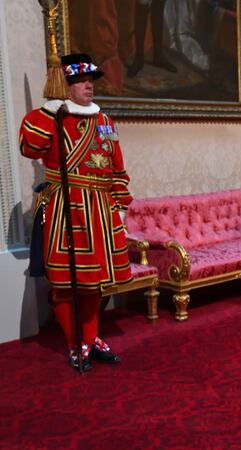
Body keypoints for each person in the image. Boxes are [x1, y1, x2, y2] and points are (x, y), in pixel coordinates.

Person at [19, 53, 133, 372]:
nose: (88, 86)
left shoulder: (105, 122)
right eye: (80, 81)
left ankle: (91, 338)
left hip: (100, 210)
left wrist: (120, 205)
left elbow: (117, 168)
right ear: (64, 85)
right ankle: (75, 342)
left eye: (90, 81)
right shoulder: (52, 118)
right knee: (66, 283)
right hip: (67, 208)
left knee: (93, 282)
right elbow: (30, 147)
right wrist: (48, 110)